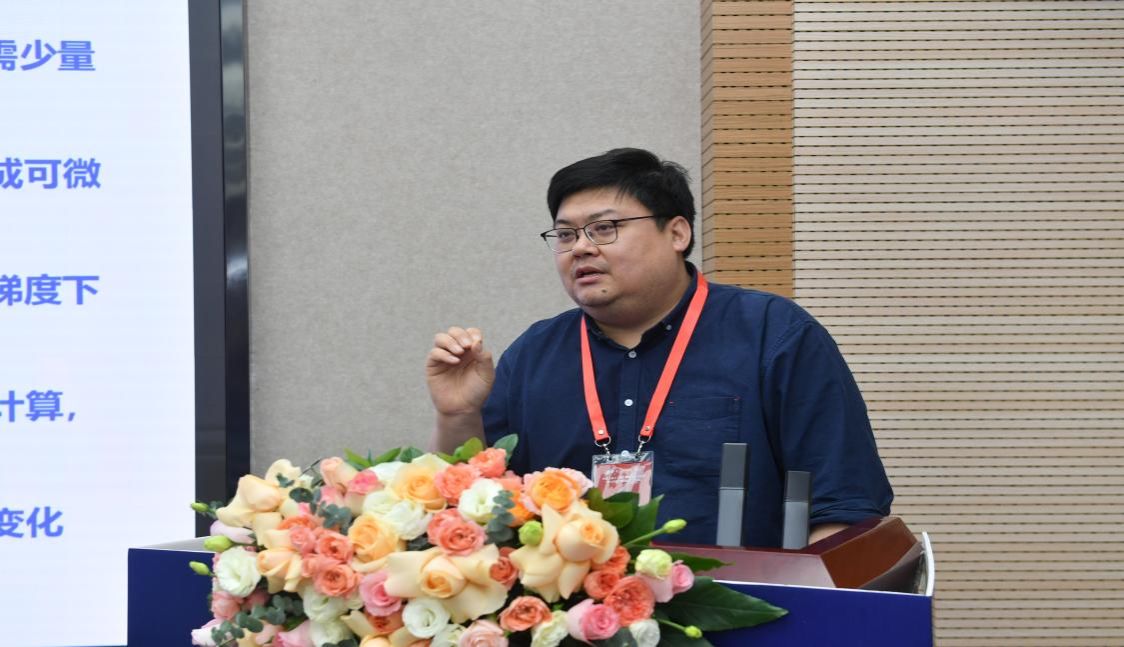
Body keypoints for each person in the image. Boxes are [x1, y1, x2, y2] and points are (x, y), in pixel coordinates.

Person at [426, 148, 892, 547]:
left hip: (742, 611)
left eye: (604, 228)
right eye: (565, 234)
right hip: (575, 614)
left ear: (677, 234)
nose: (580, 248)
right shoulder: (533, 355)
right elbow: (468, 513)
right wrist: (457, 414)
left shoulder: (773, 334)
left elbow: (843, 509)